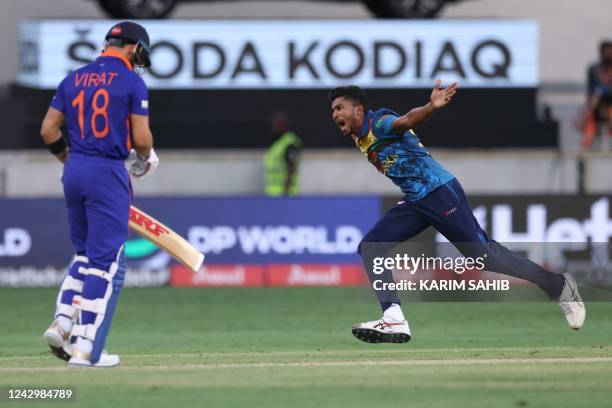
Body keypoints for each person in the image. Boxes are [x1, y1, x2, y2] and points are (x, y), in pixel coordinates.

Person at [328, 82, 585, 344]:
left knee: (486, 257)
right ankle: (393, 318)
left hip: (438, 192)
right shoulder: (362, 138)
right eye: (332, 110)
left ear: (359, 110)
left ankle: (560, 287)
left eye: (340, 107)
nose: (335, 114)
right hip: (418, 200)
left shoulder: (379, 122)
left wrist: (431, 106)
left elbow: (405, 121)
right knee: (371, 246)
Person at [39, 21, 159, 367]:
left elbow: (48, 129)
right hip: (107, 172)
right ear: (135, 48)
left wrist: (69, 161)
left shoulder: (74, 77)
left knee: (84, 255)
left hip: (74, 169)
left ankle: (62, 323)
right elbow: (142, 139)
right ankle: (85, 348)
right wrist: (145, 159)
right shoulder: (132, 81)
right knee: (105, 263)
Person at [579, 40, 612, 149]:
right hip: (597, 104)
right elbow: (592, 90)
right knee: (590, 127)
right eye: (605, 51)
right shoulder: (594, 69)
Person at [264, 111, 302, 196]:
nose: (273, 127)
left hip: (285, 194)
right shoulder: (278, 143)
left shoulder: (290, 143)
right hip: (273, 193)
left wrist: (285, 194)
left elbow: (290, 169)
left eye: (276, 124)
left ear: (283, 125)